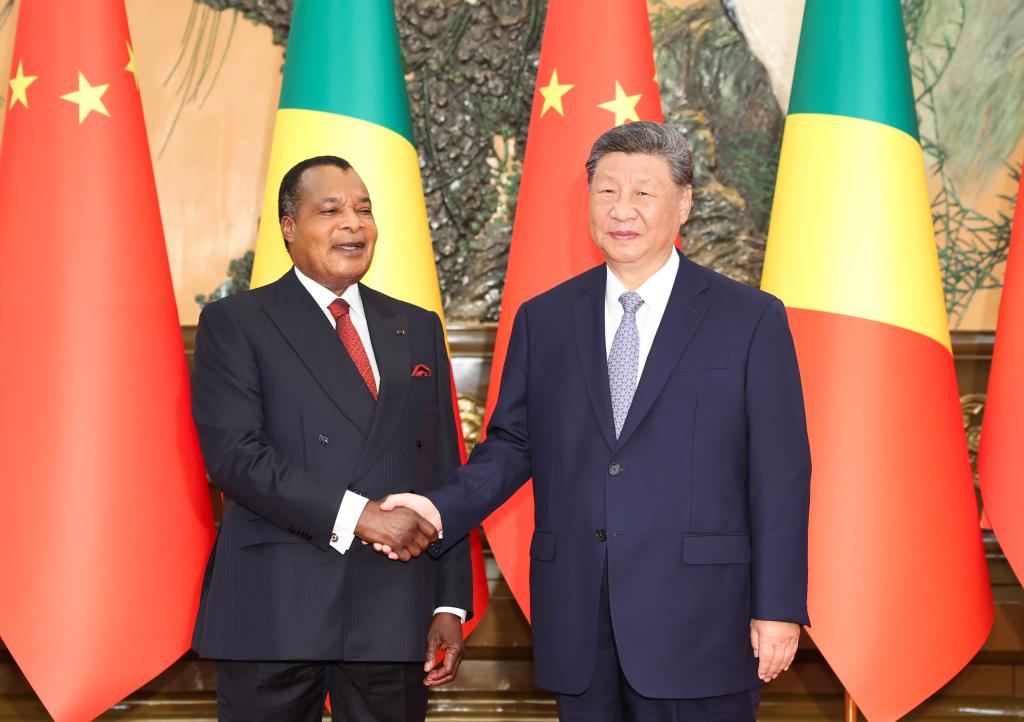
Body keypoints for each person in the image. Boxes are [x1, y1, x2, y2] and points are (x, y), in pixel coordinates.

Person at [378, 122, 811, 722]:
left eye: (643, 192)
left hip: (703, 619)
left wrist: (778, 607)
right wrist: (436, 508)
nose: (621, 209)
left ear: (684, 202)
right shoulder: (545, 319)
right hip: (581, 615)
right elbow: (512, 445)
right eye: (607, 191)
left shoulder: (749, 319)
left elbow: (780, 474)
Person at [189, 155, 473, 722]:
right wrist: (357, 516)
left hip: (394, 601)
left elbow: (444, 470)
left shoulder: (417, 326)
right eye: (331, 210)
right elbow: (236, 458)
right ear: (288, 227)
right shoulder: (237, 322)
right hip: (276, 604)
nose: (353, 223)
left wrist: (448, 602)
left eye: (364, 210)